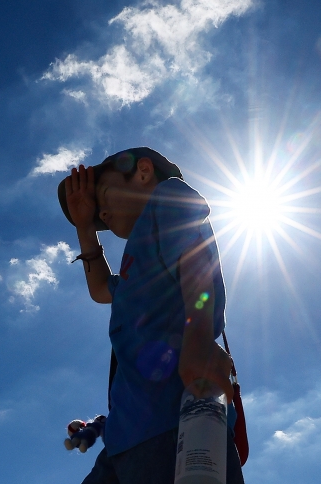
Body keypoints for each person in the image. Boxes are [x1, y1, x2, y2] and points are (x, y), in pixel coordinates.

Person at [58, 147, 245, 483]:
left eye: (103, 194)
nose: (102, 211)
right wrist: (85, 226)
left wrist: (199, 339)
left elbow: (195, 262)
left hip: (175, 423)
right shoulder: (133, 267)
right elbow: (101, 289)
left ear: (143, 172)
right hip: (123, 441)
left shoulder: (169, 197)